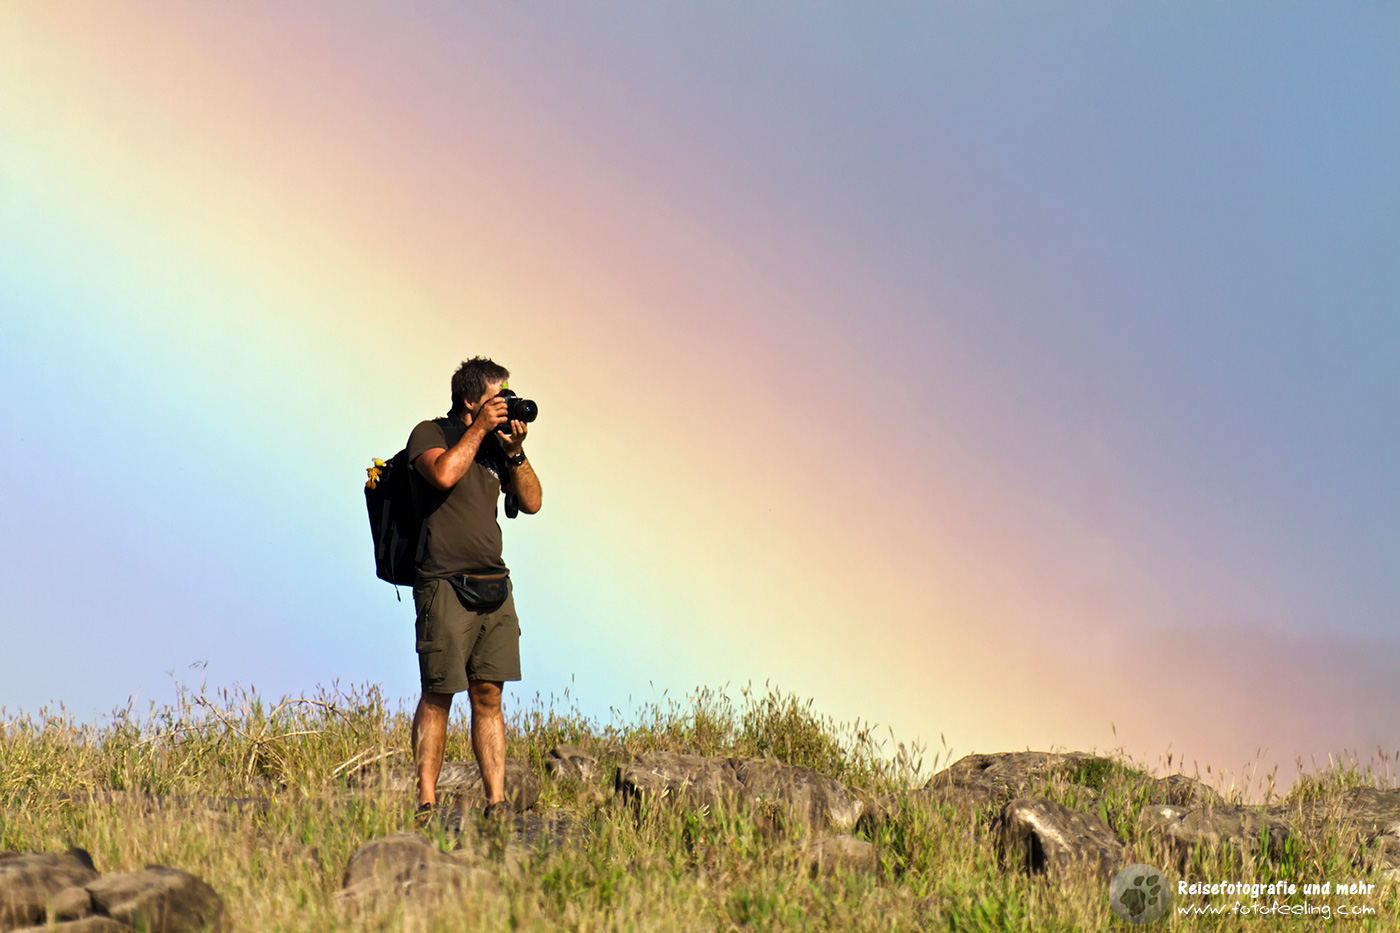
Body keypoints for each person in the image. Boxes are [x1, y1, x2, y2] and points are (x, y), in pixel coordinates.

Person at [406, 357, 542, 823]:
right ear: (470, 400)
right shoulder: (430, 434)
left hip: (494, 585)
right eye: (497, 396)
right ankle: (427, 802)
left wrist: (515, 452)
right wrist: (479, 430)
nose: (505, 405)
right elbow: (443, 474)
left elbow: (533, 502)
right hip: (443, 582)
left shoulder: (497, 447)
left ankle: (497, 802)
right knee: (439, 692)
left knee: (489, 694)